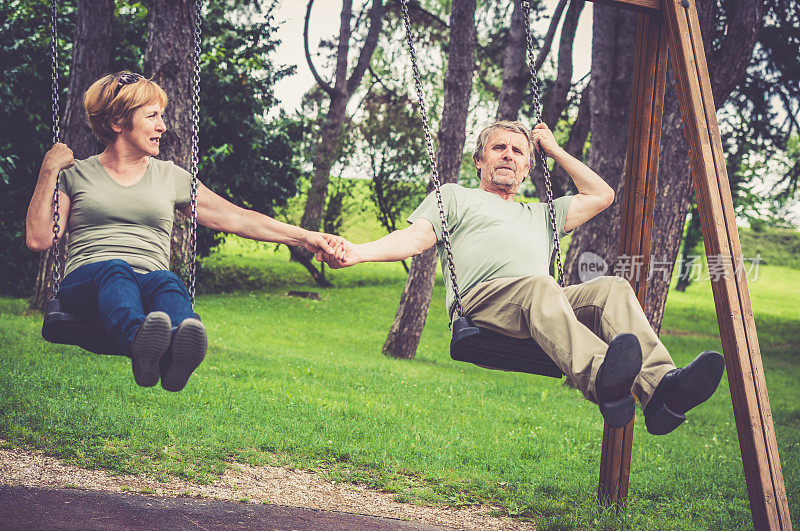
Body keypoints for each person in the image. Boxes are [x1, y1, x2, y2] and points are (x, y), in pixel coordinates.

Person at [320, 120, 725, 435]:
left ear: (529, 167)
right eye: (498, 148)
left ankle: (663, 391)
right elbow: (413, 238)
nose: (508, 156)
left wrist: (553, 148)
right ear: (480, 160)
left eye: (518, 151)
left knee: (612, 289)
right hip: (484, 306)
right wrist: (358, 252)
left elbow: (602, 195)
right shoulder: (456, 197)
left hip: (540, 304)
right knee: (541, 284)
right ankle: (604, 379)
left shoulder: (540, 213)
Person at [26, 72, 344, 392]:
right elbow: (40, 238)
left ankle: (176, 354)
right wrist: (49, 170)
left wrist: (305, 237)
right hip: (87, 287)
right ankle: (142, 343)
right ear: (117, 122)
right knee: (116, 270)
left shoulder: (171, 178)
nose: (162, 126)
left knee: (167, 280)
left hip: (146, 288)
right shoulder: (76, 175)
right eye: (152, 116)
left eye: (161, 116)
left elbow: (237, 218)